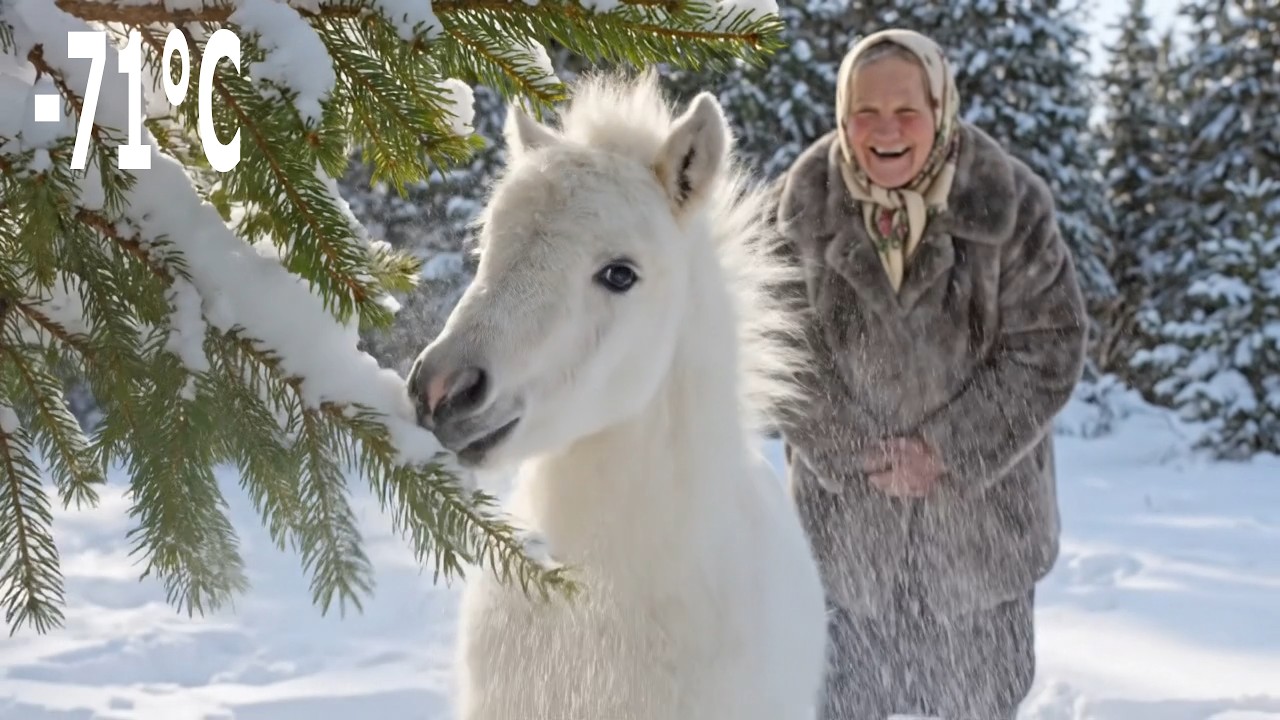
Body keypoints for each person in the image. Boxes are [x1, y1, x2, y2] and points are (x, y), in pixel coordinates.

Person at [771, 28, 1088, 720]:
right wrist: (855, 448)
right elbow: (775, 350)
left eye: (906, 111)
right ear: (841, 114)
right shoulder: (801, 207)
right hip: (844, 544)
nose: (885, 131)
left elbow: (1051, 343)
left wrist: (944, 449)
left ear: (940, 107)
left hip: (980, 542)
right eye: (866, 112)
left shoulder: (1008, 202)